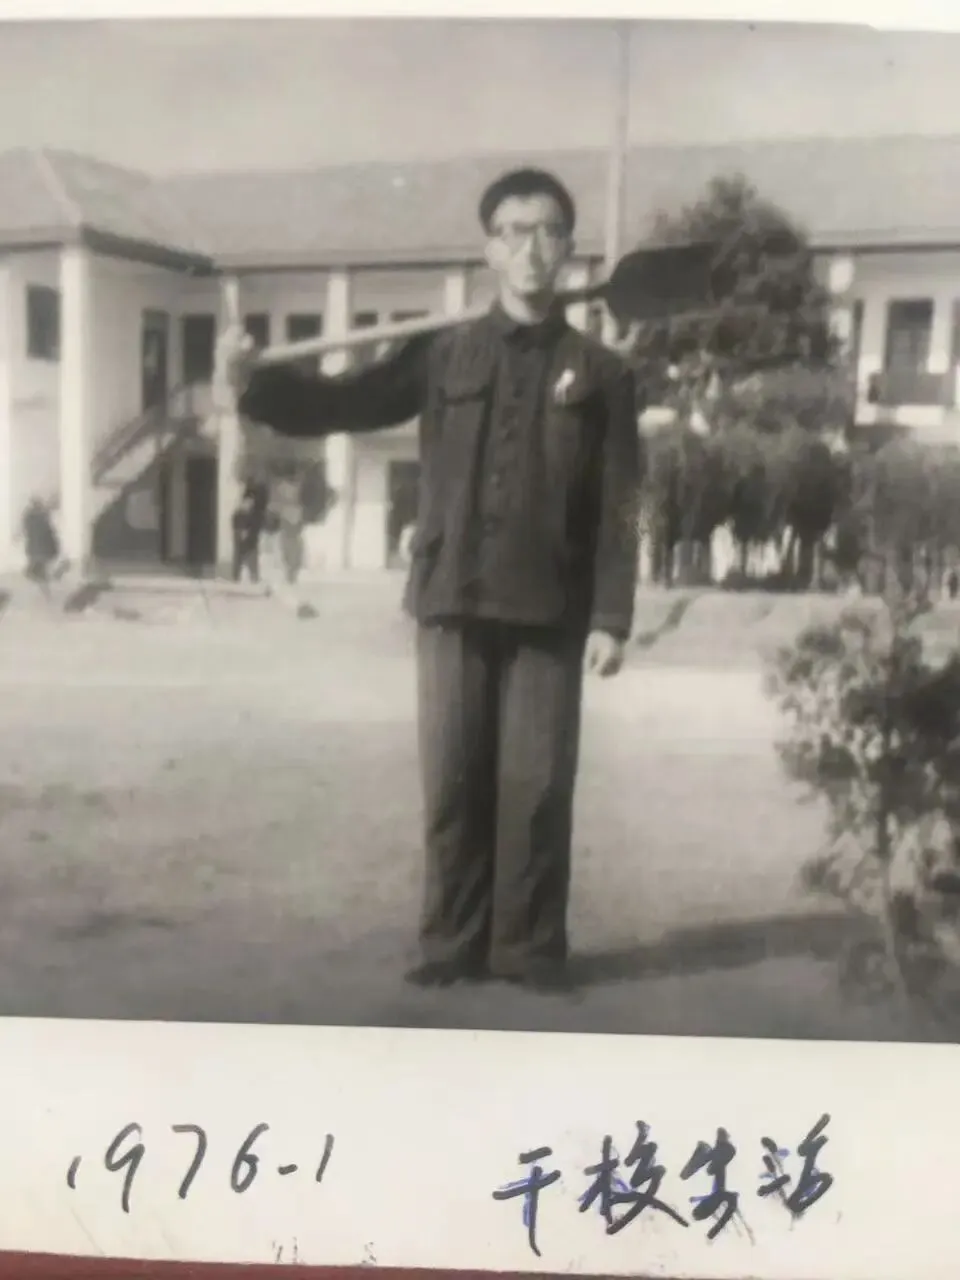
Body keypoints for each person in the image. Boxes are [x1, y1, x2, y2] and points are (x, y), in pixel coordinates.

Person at [219, 166, 642, 993]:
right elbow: (346, 403)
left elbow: (625, 505)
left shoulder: (602, 373)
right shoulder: (443, 354)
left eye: (549, 231)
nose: (532, 248)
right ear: (490, 250)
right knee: (452, 781)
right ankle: (451, 945)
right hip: (451, 596)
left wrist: (611, 616)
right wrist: (255, 385)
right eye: (515, 231)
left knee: (537, 787)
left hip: (552, 607)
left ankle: (528, 952)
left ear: (568, 248)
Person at [21, 496, 61, 598]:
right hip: (42, 550)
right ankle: (46, 590)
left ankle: (45, 589)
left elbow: (27, 531)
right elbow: (49, 533)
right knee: (41, 571)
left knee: (38, 571)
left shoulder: (29, 516)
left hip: (35, 549)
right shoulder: (42, 516)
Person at [231, 483, 266, 584]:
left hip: (251, 543)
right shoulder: (238, 514)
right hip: (242, 543)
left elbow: (256, 528)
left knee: (252, 565)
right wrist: (240, 532)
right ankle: (236, 579)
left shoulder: (254, 515)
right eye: (247, 501)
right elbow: (235, 526)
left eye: (251, 502)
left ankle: (253, 579)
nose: (249, 503)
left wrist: (248, 533)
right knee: (238, 563)